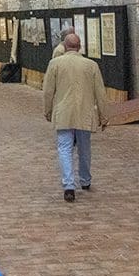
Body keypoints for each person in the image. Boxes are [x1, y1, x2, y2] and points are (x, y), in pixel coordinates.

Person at [43, 33, 108, 202]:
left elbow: (48, 91)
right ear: (80, 47)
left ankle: (68, 185)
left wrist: (48, 110)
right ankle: (85, 180)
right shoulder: (91, 65)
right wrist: (103, 115)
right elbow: (100, 93)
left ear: (64, 46)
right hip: (84, 112)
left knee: (64, 148)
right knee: (84, 148)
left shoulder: (55, 64)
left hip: (63, 112)